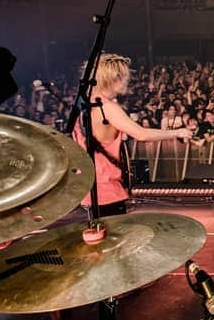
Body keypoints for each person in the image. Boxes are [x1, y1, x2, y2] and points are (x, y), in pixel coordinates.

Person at [73, 54, 191, 217]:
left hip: (90, 186)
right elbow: (141, 134)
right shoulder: (107, 108)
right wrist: (177, 132)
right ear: (114, 78)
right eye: (125, 77)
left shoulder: (87, 105)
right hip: (106, 188)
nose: (128, 81)